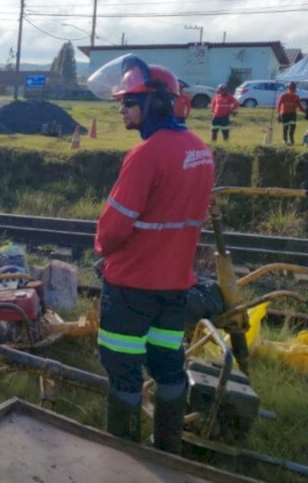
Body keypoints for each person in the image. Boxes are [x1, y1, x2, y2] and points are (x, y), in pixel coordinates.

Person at [87, 55, 215, 454]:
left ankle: (123, 458)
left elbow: (112, 230)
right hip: (175, 285)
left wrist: (103, 251)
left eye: (128, 102)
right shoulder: (200, 151)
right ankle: (167, 450)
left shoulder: (144, 156)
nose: (122, 109)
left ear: (155, 104)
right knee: (168, 365)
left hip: (131, 287)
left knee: (123, 370)